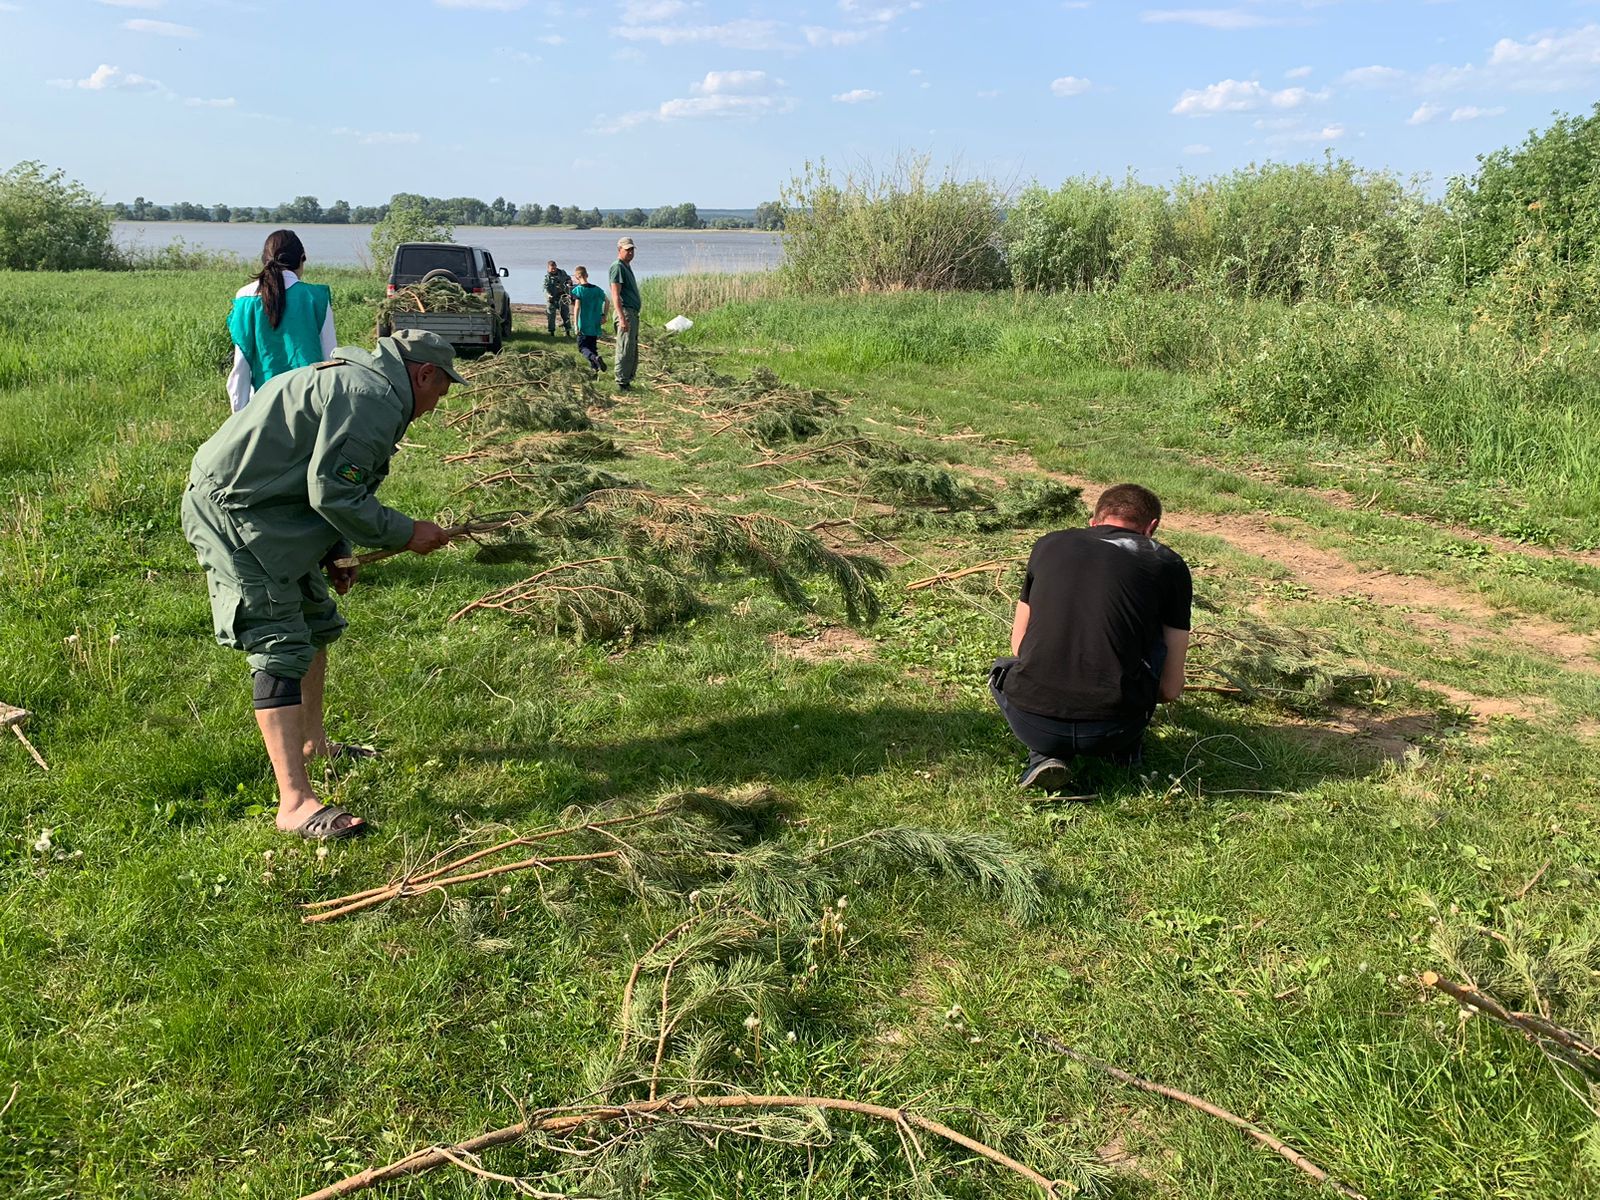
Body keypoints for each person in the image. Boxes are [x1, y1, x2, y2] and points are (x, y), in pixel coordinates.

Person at [181, 330, 464, 839]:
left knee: (316, 623)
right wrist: (407, 533)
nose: (434, 408)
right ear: (423, 374)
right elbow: (334, 493)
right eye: (439, 393)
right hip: (236, 513)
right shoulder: (371, 399)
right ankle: (294, 803)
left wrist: (335, 550)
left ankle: (314, 741)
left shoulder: (364, 386)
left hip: (276, 510)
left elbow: (320, 478)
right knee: (280, 641)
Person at [990, 483, 1191, 793]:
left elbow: (1018, 645)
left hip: (1033, 722)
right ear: (1151, 528)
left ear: (1094, 520)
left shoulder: (1048, 544)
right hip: (1117, 727)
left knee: (1000, 671)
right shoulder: (1169, 564)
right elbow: (1169, 689)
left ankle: (1042, 754)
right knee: (1150, 645)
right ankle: (1123, 750)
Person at [225, 229, 335, 413]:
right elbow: (330, 358)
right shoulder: (316, 297)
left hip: (261, 406)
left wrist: (239, 416)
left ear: (264, 259)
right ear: (302, 259)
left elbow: (241, 366)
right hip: (309, 404)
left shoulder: (245, 298)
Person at [608, 236, 641, 390]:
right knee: (625, 347)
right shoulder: (617, 267)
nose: (630, 253)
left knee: (631, 347)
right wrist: (621, 318)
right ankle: (621, 382)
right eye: (627, 250)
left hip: (631, 312)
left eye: (632, 249)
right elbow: (615, 294)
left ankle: (626, 380)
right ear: (619, 250)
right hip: (625, 312)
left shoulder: (626, 266)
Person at [568, 266, 609, 373]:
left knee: (583, 348)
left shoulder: (578, 290)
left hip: (584, 324)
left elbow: (577, 307)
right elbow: (607, 301)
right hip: (595, 323)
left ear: (577, 277)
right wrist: (604, 315)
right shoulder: (597, 290)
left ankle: (595, 359)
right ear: (587, 275)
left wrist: (576, 325)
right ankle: (595, 370)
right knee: (592, 347)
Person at [543, 259, 573, 337]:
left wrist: (569, 281)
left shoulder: (562, 273)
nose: (553, 270)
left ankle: (568, 332)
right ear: (548, 268)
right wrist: (549, 296)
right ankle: (552, 333)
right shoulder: (547, 278)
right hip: (552, 298)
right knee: (551, 316)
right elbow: (545, 288)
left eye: (554, 268)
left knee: (566, 315)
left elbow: (568, 278)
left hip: (562, 297)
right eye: (551, 269)